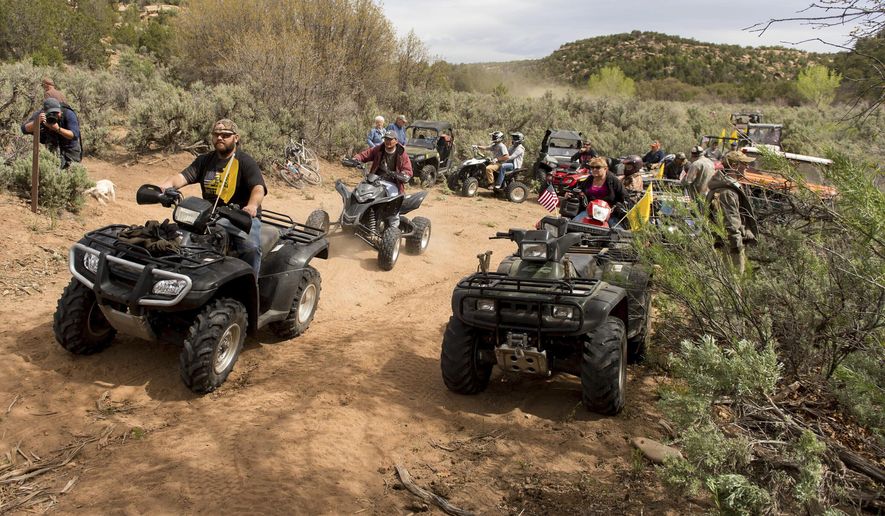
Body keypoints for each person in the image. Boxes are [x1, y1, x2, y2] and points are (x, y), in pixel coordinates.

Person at [159, 119, 267, 275]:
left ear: (236, 138)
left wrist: (251, 206)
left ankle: (250, 287)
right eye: (216, 134)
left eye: (225, 135)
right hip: (209, 214)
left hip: (239, 217)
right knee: (177, 237)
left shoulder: (244, 162)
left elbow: (258, 188)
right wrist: (165, 186)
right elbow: (182, 177)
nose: (220, 138)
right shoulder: (205, 160)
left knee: (250, 247)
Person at [706, 150, 758, 274]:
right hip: (730, 245)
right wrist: (737, 246)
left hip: (728, 243)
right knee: (733, 280)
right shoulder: (728, 192)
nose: (747, 167)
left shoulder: (728, 187)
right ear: (734, 166)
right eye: (744, 164)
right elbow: (731, 221)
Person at [353, 130, 413, 228]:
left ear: (396, 141)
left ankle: (394, 228)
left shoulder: (402, 154)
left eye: (390, 139)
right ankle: (353, 218)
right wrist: (356, 159)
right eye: (386, 139)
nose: (387, 141)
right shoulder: (379, 149)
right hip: (375, 180)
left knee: (394, 202)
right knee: (359, 193)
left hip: (393, 183)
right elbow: (365, 154)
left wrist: (402, 175)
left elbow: (408, 170)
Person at [21, 98, 82, 169]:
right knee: (52, 173)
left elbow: (74, 135)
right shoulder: (41, 115)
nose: (54, 116)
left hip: (70, 149)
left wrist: (57, 129)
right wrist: (37, 121)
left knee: (71, 173)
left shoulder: (68, 113)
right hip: (53, 148)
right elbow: (24, 129)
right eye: (51, 113)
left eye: (57, 113)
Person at [566, 156, 627, 221]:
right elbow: (579, 190)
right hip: (589, 212)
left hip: (609, 214)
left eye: (598, 167)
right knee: (573, 224)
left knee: (617, 230)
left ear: (605, 169)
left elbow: (625, 197)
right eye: (592, 167)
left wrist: (616, 207)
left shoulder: (613, 180)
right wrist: (570, 194)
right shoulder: (589, 179)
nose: (594, 170)